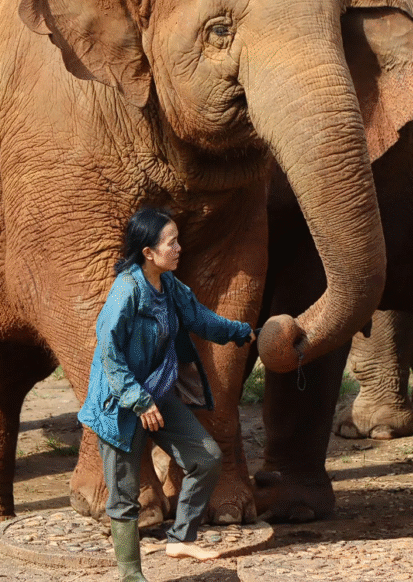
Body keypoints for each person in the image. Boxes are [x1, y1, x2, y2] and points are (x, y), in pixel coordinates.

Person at [78, 206, 255, 582]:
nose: (179, 248)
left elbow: (200, 319)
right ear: (148, 252)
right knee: (124, 499)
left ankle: (180, 538)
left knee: (206, 457)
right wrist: (138, 401)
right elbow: (110, 352)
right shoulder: (126, 291)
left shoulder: (169, 286)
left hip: (157, 395)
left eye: (177, 240)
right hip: (120, 405)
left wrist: (241, 332)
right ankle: (131, 576)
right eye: (171, 242)